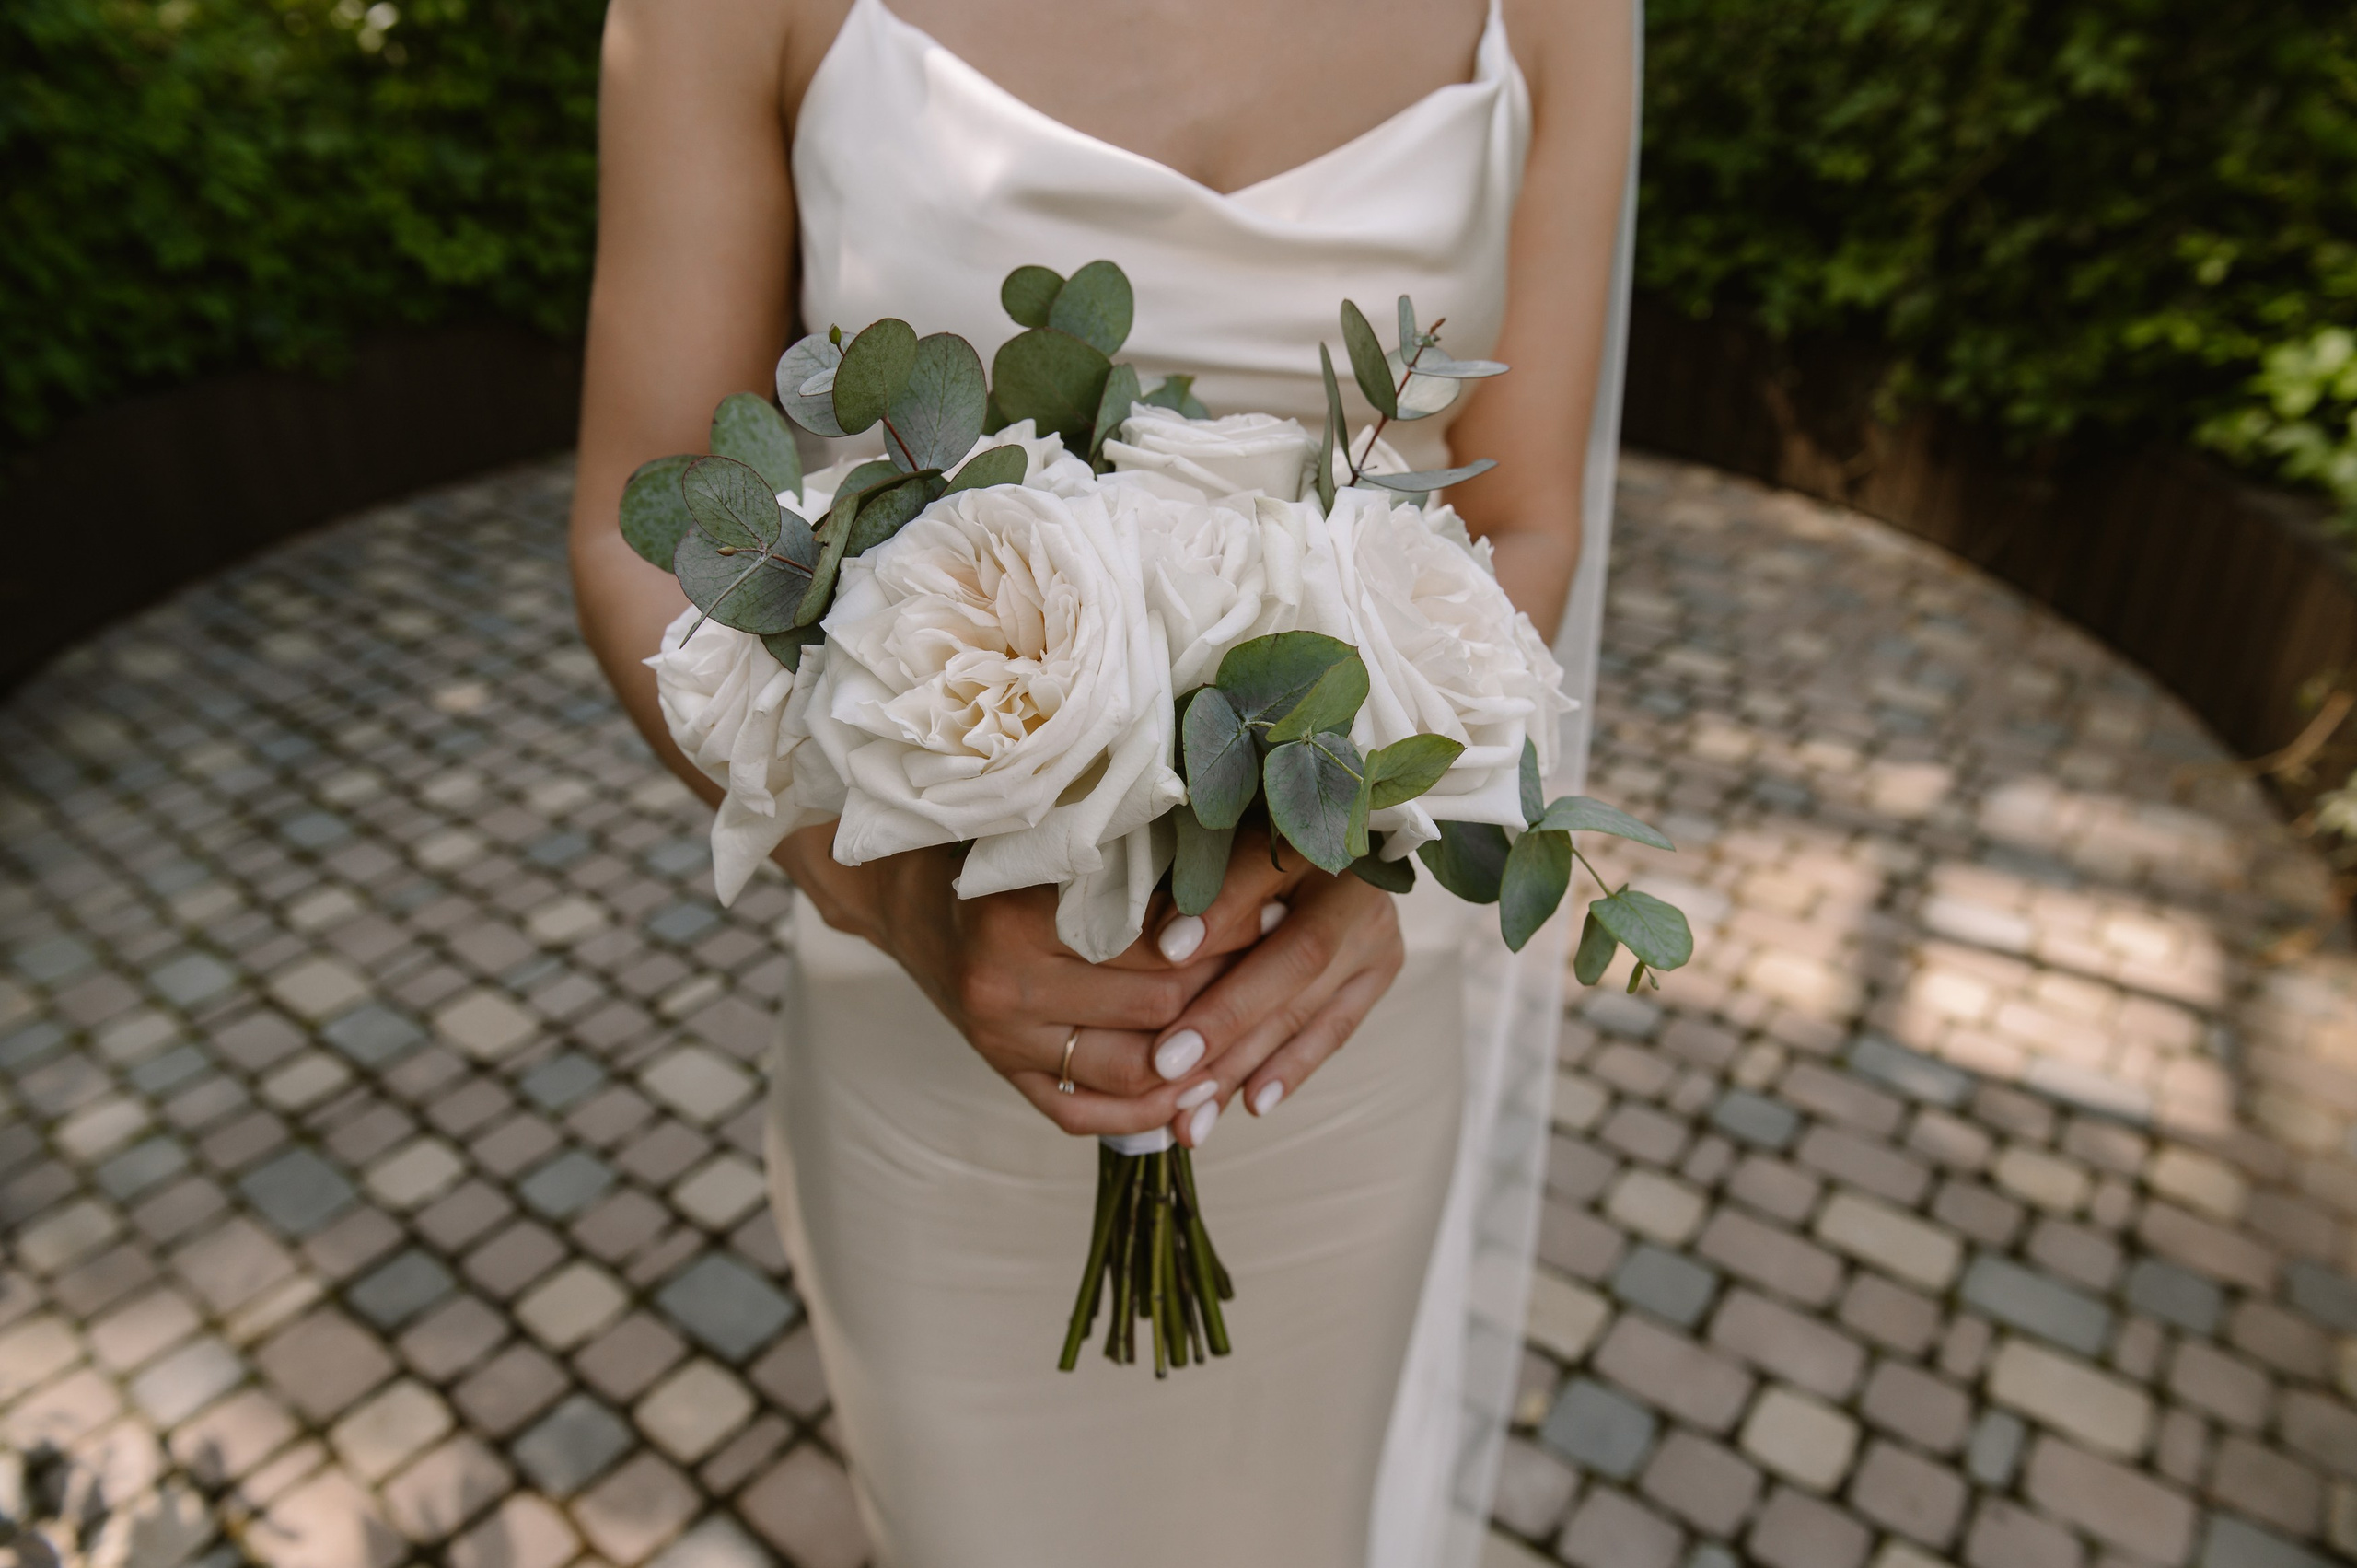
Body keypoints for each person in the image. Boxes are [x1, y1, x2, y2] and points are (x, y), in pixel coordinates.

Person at [568, 1, 1636, 1562]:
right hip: (929, 1022)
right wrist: (893, 902)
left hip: (1332, 1025)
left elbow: (1527, 513)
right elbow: (638, 522)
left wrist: (1350, 851)